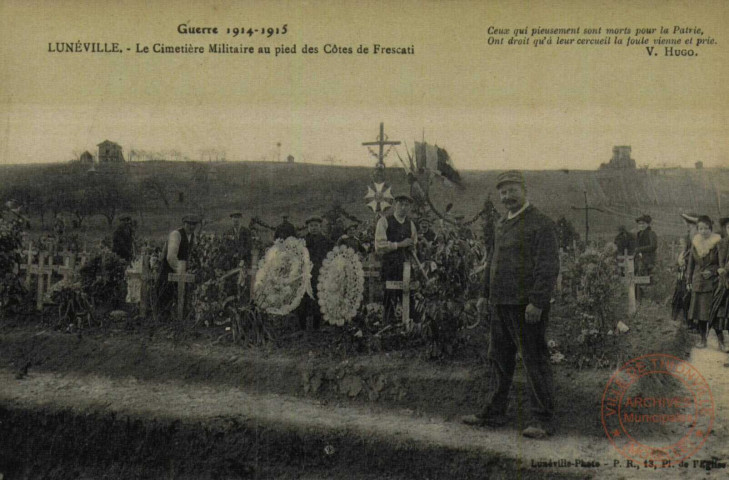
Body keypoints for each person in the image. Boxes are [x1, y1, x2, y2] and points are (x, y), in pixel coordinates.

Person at [463, 170, 560, 439]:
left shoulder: (541, 223)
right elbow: (491, 261)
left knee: (534, 360)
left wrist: (537, 302)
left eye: (512, 190)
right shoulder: (501, 224)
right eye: (503, 192)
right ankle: (494, 413)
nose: (507, 196)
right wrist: (484, 294)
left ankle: (543, 420)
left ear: (524, 189)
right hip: (500, 303)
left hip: (525, 307)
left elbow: (548, 266)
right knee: (499, 360)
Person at [375, 194, 418, 323]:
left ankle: (411, 328)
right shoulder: (384, 221)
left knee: (408, 297)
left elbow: (413, 244)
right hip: (390, 266)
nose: (403, 208)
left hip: (406, 266)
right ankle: (388, 327)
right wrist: (399, 245)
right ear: (395, 205)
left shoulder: (411, 224)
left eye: (406, 205)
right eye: (400, 204)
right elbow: (379, 246)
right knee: (390, 298)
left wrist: (412, 247)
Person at [155, 214, 201, 321]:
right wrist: (180, 271)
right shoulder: (176, 234)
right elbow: (171, 256)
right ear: (184, 223)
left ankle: (177, 319)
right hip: (168, 271)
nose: (191, 227)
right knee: (165, 298)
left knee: (179, 298)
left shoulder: (191, 237)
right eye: (189, 224)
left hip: (180, 272)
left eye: (194, 224)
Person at [687, 215, 722, 349]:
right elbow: (690, 264)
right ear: (698, 230)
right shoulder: (695, 243)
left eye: (706, 228)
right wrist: (688, 279)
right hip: (698, 281)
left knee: (714, 312)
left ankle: (721, 341)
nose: (703, 231)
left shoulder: (717, 243)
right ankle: (703, 339)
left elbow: (720, 263)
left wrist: (713, 272)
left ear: (711, 229)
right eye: (700, 228)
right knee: (700, 313)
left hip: (712, 283)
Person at [297, 216, 332, 330]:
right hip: (305, 275)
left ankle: (316, 327)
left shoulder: (326, 241)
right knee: (303, 299)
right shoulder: (302, 241)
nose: (314, 228)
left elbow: (331, 257)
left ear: (320, 227)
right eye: (311, 226)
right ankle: (302, 327)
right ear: (308, 227)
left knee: (318, 298)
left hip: (320, 274)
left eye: (316, 225)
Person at [672, 213, 698, 327]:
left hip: (691, 267)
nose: (686, 225)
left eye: (688, 223)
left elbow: (693, 252)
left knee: (687, 293)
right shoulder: (690, 233)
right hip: (687, 265)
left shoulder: (694, 234)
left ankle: (690, 322)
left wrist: (684, 259)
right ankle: (684, 320)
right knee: (683, 292)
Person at [711, 217, 729, 355]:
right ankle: (721, 341)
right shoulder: (720, 244)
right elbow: (712, 262)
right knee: (717, 312)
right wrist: (717, 269)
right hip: (721, 283)